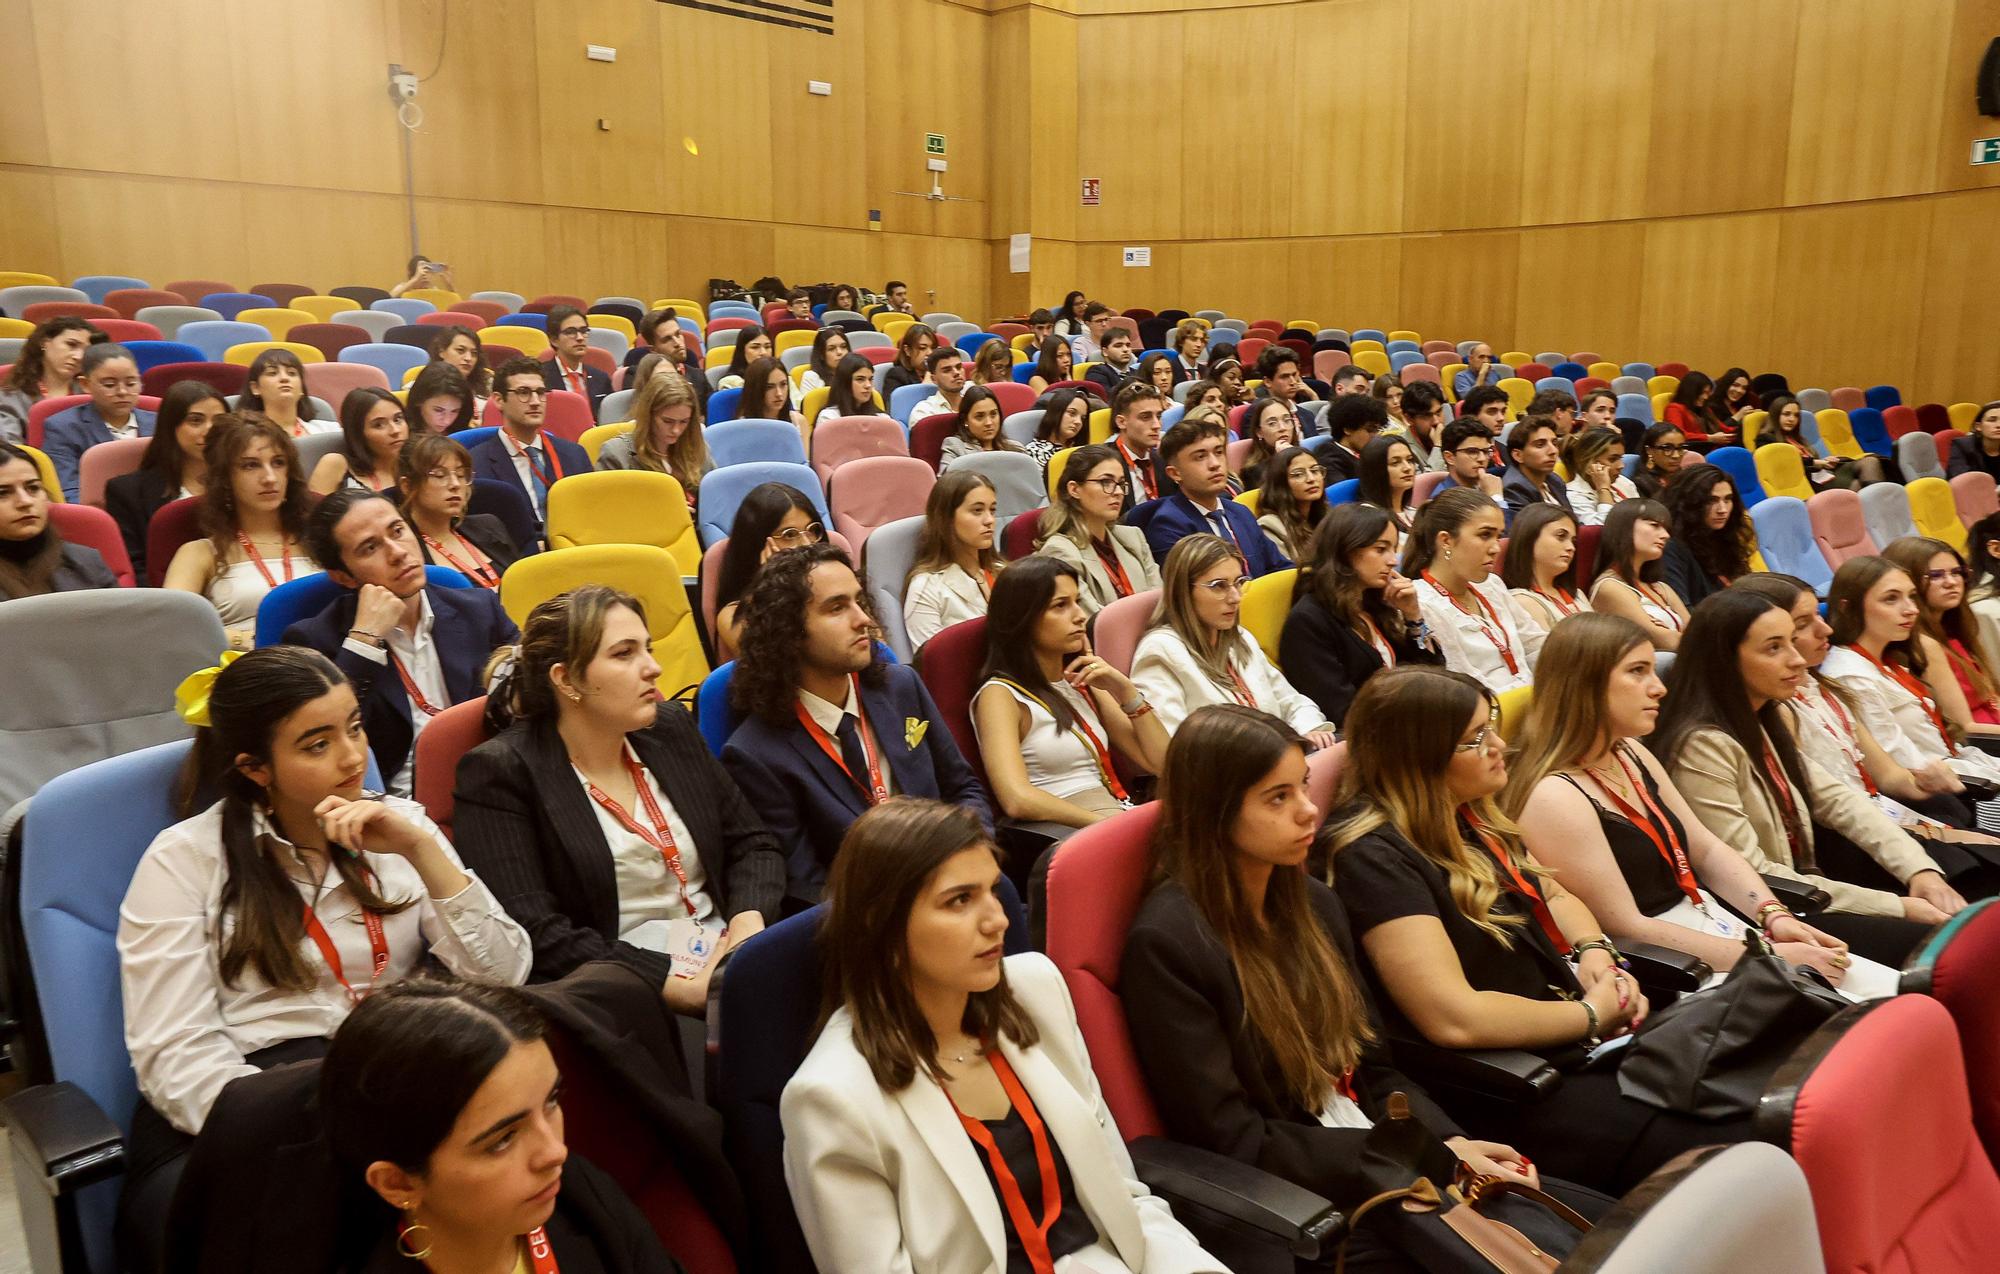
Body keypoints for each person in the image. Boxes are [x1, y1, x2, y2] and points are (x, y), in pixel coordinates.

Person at [115, 646, 530, 1257]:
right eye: (317, 744)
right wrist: (317, 1135)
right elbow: (175, 1056)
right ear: (256, 768)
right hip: (252, 1106)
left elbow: (506, 977)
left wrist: (423, 851)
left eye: (355, 728)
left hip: (393, 1085)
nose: (353, 757)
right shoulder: (185, 862)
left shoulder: (400, 830)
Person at [1122, 705, 1546, 1254]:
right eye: (1278, 798)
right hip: (1314, 1210)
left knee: (1571, 1230)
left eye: (1302, 786)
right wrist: (1424, 1157)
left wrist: (1451, 1140)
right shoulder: (1168, 945)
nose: (1308, 812)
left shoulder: (1316, 905)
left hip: (1386, 1154)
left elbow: (1372, 1070)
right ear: (1215, 813)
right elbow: (1235, 1140)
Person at [1328, 665, 1759, 1194]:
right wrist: (1590, 1013)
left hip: (1579, 1042)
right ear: (1419, 756)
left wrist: (1599, 955)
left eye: (1491, 728)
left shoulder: (1468, 814)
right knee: (1740, 1141)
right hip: (1513, 1084)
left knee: (1760, 1086)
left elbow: (1554, 893)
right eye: (1475, 739)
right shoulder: (1371, 858)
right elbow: (1452, 1019)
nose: (1499, 746)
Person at [782, 799, 1224, 1274]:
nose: (998, 920)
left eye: (993, 890)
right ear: (881, 923)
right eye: (959, 900)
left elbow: (1122, 1193)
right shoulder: (831, 1099)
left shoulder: (1037, 990)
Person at [1505, 612, 1888, 996]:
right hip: (1675, 968)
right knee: (1867, 1018)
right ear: (1584, 684)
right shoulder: (1553, 795)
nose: (1658, 688)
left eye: (1653, 671)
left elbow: (1704, 849)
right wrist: (1772, 954)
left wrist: (1773, 914)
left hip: (1715, 925)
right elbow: (1626, 927)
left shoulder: (1630, 753)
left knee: (1893, 989)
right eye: (1637, 672)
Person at [453, 585, 782, 1005]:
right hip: (622, 992)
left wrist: (747, 927)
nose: (654, 669)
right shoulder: (501, 772)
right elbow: (539, 933)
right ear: (566, 679)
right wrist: (671, 987)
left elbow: (753, 842)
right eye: (625, 654)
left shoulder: (667, 729)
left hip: (725, 950)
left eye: (647, 648)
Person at [1654, 589, 1959, 963]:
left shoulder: (1763, 717)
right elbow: (1756, 873)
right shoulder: (1700, 745)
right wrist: (1897, 906)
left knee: (1959, 889)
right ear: (1724, 660)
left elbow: (1842, 802)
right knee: (1944, 942)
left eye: (1791, 643)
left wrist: (1919, 870)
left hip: (1807, 888)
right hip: (1775, 912)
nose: (1797, 660)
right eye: (1773, 648)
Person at [321, 977, 685, 1274]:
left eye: (552, 1101)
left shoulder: (579, 1192)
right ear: (398, 1183)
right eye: (503, 1139)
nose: (555, 1152)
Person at [722, 544, 992, 906]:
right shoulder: (755, 753)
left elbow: (963, 787)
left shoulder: (901, 687)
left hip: (955, 876)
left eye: (858, 601)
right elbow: (802, 881)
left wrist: (974, 852)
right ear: (788, 632)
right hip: (870, 918)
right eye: (837, 608)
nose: (862, 618)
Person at [1735, 572, 2000, 841]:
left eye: (1818, 615)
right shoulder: (1837, 680)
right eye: (1802, 625)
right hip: (1855, 835)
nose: (1825, 628)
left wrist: (1924, 783)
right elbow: (1833, 810)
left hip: (1891, 812)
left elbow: (1889, 774)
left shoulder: (1824, 686)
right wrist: (1937, 834)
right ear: (1851, 608)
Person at [283, 488, 516, 794]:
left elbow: (529, 691)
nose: (397, 552)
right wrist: (364, 641)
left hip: (496, 781)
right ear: (344, 577)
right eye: (370, 548)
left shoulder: (479, 608)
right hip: (397, 804)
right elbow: (326, 737)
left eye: (397, 531)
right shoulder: (315, 640)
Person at [973, 557, 1168, 830]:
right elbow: (1016, 798)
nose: (1079, 615)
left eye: (1077, 601)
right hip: (1063, 826)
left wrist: (1126, 691)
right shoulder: (999, 695)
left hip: (1113, 812)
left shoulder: (1082, 681)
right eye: (1060, 606)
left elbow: (1160, 763)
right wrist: (1105, 824)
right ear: (1023, 618)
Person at [1132, 535, 1335, 743]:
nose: (1235, 597)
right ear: (1183, 591)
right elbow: (1177, 746)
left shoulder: (1239, 637)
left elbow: (1291, 701)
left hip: (1278, 755)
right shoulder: (1159, 651)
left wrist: (1311, 730)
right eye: (1219, 586)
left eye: (1238, 583)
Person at [163, 413, 322, 648]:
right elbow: (171, 626)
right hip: (243, 668)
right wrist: (243, 639)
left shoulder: (320, 540)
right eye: (251, 465)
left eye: (278, 462)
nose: (269, 478)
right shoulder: (199, 553)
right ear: (225, 478)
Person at [1279, 503, 1442, 729]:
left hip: (1407, 721)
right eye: (1381, 549)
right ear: (1346, 550)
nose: (1393, 560)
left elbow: (1433, 671)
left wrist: (1413, 616)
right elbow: (1342, 712)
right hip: (1375, 737)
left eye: (1393, 549)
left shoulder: (1374, 602)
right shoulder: (1308, 622)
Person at [1405, 488, 1538, 692]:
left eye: (1498, 536)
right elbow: (1466, 686)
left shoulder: (1492, 584)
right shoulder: (1423, 603)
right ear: (1446, 540)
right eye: (1485, 535)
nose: (1496, 547)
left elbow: (1533, 643)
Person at [1143, 416, 1291, 576]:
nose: (1215, 464)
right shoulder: (1168, 525)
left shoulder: (1241, 512)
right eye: (1200, 457)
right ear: (1175, 473)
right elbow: (1198, 591)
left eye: (1219, 452)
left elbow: (1280, 567)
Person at [108, 380, 223, 580]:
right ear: (171, 427)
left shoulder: (241, 484)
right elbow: (135, 572)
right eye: (196, 421)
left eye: (220, 421)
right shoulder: (127, 492)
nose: (210, 430)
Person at [1032, 443, 1160, 615]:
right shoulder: (1059, 552)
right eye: (1105, 482)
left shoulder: (1134, 537)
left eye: (1121, 483)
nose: (1118, 492)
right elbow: (1093, 620)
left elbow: (1161, 602)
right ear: (1074, 489)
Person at [467, 357, 592, 530]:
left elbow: (590, 516)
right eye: (523, 392)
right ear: (499, 400)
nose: (535, 401)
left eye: (540, 392)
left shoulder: (575, 455)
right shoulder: (477, 464)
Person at [711, 482, 823, 660]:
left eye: (812, 530)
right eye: (789, 535)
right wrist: (773, 586)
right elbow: (773, 665)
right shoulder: (732, 615)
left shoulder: (840, 588)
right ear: (757, 543)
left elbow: (875, 646)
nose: (807, 544)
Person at [396, 433, 515, 590]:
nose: (455, 484)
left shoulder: (489, 525)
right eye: (439, 475)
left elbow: (523, 580)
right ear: (408, 486)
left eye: (460, 475)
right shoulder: (403, 551)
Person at [0, 440, 116, 598]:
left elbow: (122, 621)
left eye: (33, 488)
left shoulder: (87, 561)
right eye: (3, 493)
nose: (25, 502)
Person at [42, 341, 154, 501]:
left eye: (131, 383)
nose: (122, 392)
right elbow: (67, 491)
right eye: (109, 385)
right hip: (99, 515)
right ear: (85, 384)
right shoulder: (63, 427)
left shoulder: (159, 423)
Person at [904, 470, 1003, 649]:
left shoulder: (1004, 572)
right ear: (947, 518)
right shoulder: (926, 588)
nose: (989, 520)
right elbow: (932, 664)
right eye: (977, 511)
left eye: (993, 510)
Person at [1588, 499, 1689, 651]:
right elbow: (1658, 639)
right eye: (1655, 525)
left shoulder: (1661, 587)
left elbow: (1696, 631)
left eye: (1666, 528)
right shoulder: (1608, 587)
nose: (1666, 535)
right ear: (1625, 528)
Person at [1658, 464, 1749, 608]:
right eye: (1711, 501)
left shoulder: (1722, 537)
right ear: (1690, 503)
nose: (1723, 510)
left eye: (1727, 499)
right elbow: (1682, 609)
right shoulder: (1671, 546)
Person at [1501, 503, 1593, 645]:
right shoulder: (1523, 601)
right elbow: (1552, 660)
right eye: (1561, 536)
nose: (1571, 547)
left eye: (1573, 541)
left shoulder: (1577, 594)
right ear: (1530, 538)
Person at [0, 315, 96, 443]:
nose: (79, 356)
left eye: (87, 351)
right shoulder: (11, 397)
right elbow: (10, 448)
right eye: (71, 344)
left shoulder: (92, 393)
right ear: (44, 342)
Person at [309, 388, 408, 496]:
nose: (395, 431)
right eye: (378, 425)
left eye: (398, 419)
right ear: (357, 432)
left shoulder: (421, 464)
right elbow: (314, 512)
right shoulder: (336, 464)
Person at [1765, 394, 1873, 489]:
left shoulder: (1796, 438)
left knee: (1870, 461)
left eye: (1796, 415)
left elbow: (1812, 459)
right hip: (1806, 481)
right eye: (1786, 414)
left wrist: (1824, 461)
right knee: (1857, 484)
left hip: (1823, 473)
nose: (1792, 419)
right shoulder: (1766, 439)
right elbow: (1785, 464)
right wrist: (1816, 462)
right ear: (1776, 415)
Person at [1255, 444, 1327, 563]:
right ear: (1281, 483)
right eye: (1298, 474)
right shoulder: (1270, 526)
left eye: (1315, 470)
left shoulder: (1326, 515)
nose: (1311, 479)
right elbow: (1287, 574)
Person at [239, 347, 327, 439]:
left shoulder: (330, 430)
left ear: (301, 389)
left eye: (292, 373)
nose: (284, 378)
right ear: (255, 388)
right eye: (273, 373)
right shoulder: (242, 437)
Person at [1500, 414, 1571, 525]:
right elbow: (1531, 535)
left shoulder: (1555, 480)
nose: (1553, 451)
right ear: (1518, 455)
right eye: (1540, 445)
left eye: (1555, 443)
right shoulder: (1514, 488)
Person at [539, 307, 611, 413]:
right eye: (570, 332)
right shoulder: (540, 377)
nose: (580, 337)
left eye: (584, 331)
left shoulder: (600, 378)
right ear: (554, 340)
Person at [938, 384, 1025, 471]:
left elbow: (1034, 478)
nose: (989, 422)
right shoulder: (955, 446)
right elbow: (947, 482)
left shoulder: (1016, 448)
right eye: (979, 416)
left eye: (993, 414)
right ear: (965, 420)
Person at [1560, 425, 1634, 526]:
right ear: (1588, 462)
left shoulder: (1624, 483)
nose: (1621, 466)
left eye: (1621, 458)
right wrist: (1603, 489)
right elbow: (1603, 530)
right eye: (1612, 459)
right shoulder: (1572, 496)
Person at [1108, 381, 1165, 508]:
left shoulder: (1164, 462)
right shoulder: (1102, 464)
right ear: (1121, 422)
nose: (1157, 425)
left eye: (1159, 416)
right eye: (1145, 417)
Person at [1355, 435, 1417, 544]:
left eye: (1410, 460)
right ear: (1376, 470)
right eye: (1395, 463)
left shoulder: (1414, 513)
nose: (1407, 468)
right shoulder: (1369, 518)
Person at [1315, 394, 1383, 485]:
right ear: (1348, 429)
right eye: (1370, 429)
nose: (1376, 435)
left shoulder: (1371, 453)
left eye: (1378, 430)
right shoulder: (1329, 459)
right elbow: (1343, 495)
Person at [426, 325, 491, 420]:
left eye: (474, 353)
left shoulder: (489, 386)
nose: (468, 358)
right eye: (460, 350)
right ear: (441, 351)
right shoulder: (420, 386)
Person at [739, 356, 809, 442]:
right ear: (755, 390)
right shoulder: (742, 428)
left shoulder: (799, 422)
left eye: (783, 384)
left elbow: (804, 455)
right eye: (769, 387)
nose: (779, 393)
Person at [1434, 419, 1504, 503]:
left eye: (1486, 451)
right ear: (1450, 458)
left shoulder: (1484, 486)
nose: (1482, 458)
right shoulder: (1445, 501)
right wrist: (1496, 498)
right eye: (1472, 452)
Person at [1236, 397, 1298, 491]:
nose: (1282, 428)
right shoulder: (1252, 472)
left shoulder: (1307, 457)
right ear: (1259, 432)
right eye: (1272, 423)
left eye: (1287, 420)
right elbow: (1273, 500)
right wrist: (1282, 461)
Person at [1022, 387, 1087, 472]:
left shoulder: (1081, 450)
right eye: (1072, 413)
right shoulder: (1035, 452)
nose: (1079, 422)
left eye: (1083, 418)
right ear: (1056, 412)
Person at [1385, 381, 1445, 471]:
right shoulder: (1401, 449)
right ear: (1409, 419)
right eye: (1427, 416)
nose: (1436, 421)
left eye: (1438, 412)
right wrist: (1438, 446)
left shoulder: (1452, 436)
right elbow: (1426, 483)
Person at [1663, 372, 1732, 450]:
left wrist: (1740, 430)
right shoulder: (1674, 408)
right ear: (1691, 391)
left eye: (1707, 393)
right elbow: (1678, 435)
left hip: (1709, 448)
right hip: (1689, 451)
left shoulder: (1705, 409)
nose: (1706, 397)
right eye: (1703, 393)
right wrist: (1709, 438)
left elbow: (1723, 428)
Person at [406, 361, 475, 436]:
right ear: (419, 401)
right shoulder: (401, 438)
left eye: (454, 411)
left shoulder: (468, 436)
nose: (447, 421)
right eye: (438, 410)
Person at [814, 353, 880, 429]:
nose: (868, 385)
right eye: (860, 379)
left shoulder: (882, 418)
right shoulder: (828, 418)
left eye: (870, 379)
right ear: (845, 383)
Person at [910, 347, 970, 426]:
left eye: (958, 367)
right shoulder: (925, 412)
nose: (956, 373)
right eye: (947, 370)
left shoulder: (976, 403)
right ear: (933, 379)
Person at [1947, 401, 2000, 483]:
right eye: (1992, 420)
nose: (1998, 425)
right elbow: (1961, 479)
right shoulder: (1961, 445)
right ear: (1978, 426)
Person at [879, 323, 936, 400]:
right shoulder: (897, 375)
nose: (930, 352)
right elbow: (894, 408)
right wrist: (924, 389)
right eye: (922, 348)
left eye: (933, 348)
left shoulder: (940, 373)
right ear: (908, 350)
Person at [1631, 423, 1686, 499]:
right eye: (1667, 448)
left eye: (1680, 448)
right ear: (1649, 450)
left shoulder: (1687, 478)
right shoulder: (1641, 485)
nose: (1676, 455)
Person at [795, 326, 850, 399]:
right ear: (821, 355)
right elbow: (809, 408)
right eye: (832, 349)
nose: (839, 352)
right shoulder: (811, 377)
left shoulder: (858, 373)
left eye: (843, 347)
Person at [1083, 328, 1140, 396]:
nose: (1125, 349)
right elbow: (1107, 397)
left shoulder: (1137, 373)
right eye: (1118, 346)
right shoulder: (1096, 372)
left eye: (1128, 345)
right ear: (1105, 352)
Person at [717, 325, 774, 393]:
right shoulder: (731, 383)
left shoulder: (782, 379)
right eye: (755, 347)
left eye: (767, 347)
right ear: (742, 351)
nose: (763, 353)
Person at [390, 255, 455, 296]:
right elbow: (390, 298)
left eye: (428, 272)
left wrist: (450, 286)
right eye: (421, 273)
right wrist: (415, 279)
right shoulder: (402, 287)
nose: (425, 276)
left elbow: (454, 304)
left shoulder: (433, 290)